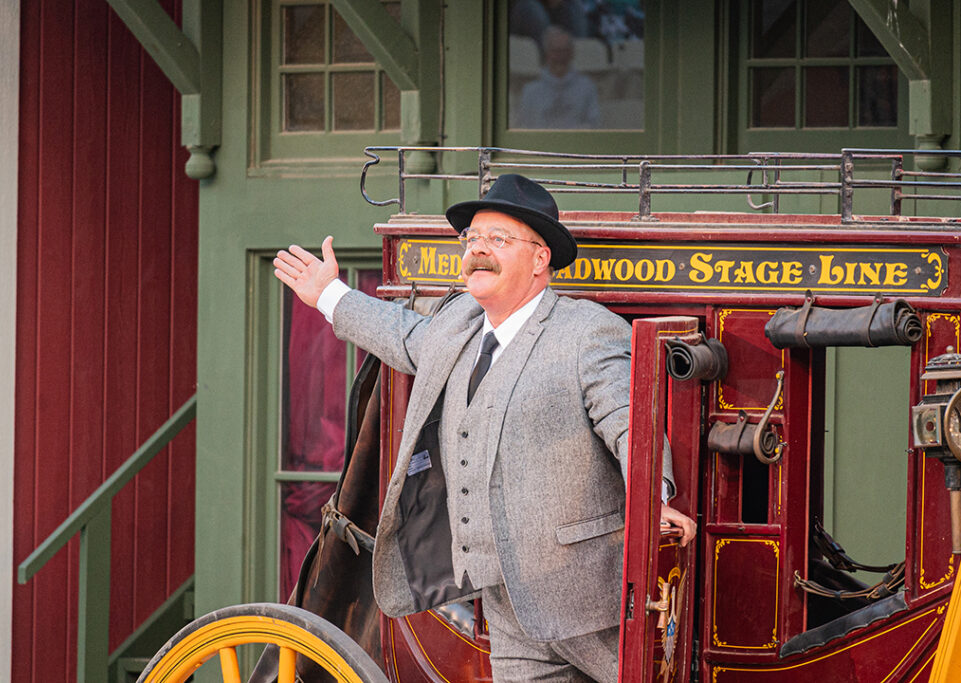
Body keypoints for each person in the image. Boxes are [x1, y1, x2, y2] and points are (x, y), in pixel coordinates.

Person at [273, 174, 696, 682]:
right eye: (472, 238)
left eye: (498, 239)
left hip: (588, 599)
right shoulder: (458, 325)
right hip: (503, 598)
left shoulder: (586, 331)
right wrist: (329, 294)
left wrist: (654, 497)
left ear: (540, 259)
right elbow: (400, 334)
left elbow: (629, 422)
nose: (478, 250)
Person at [518, 26, 601, 129]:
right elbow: (524, 127)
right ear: (547, 53)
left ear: (572, 53)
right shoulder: (530, 91)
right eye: (556, 51)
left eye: (564, 51)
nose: (560, 57)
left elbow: (594, 124)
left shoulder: (587, 87)